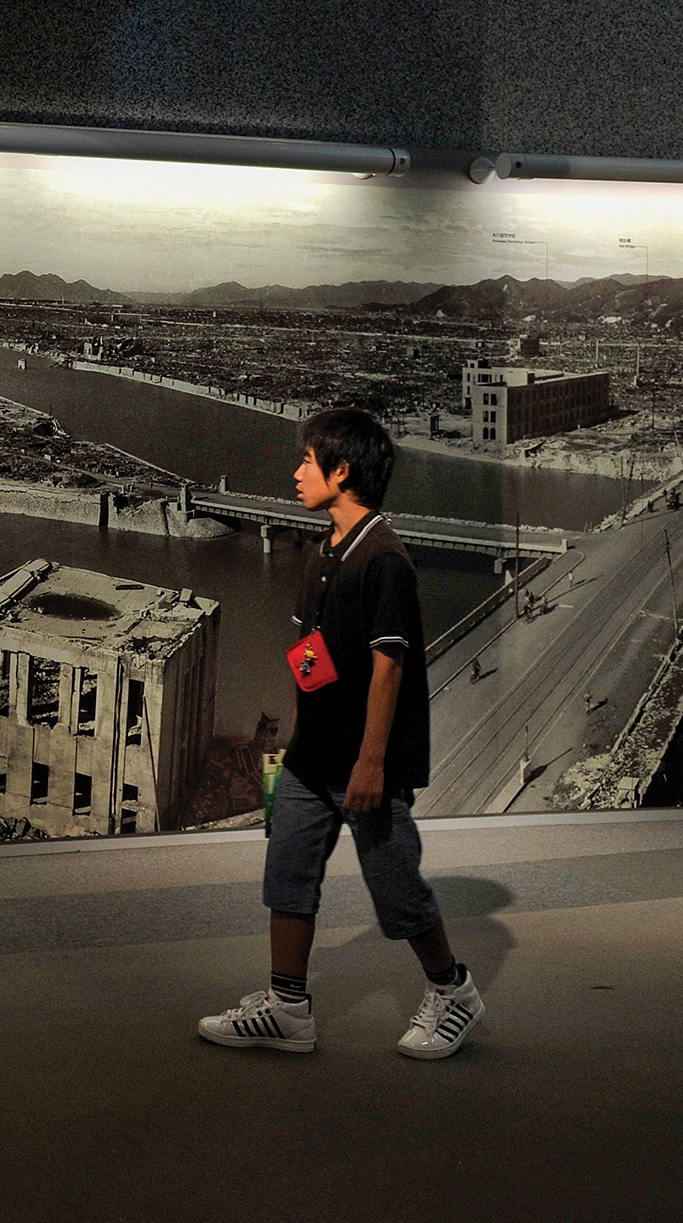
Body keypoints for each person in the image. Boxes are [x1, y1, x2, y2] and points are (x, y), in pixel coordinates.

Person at [199, 408, 484, 1060]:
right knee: (288, 870)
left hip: (366, 764)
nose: (296, 471)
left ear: (342, 470)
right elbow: (312, 651)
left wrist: (371, 763)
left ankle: (454, 991)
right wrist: (300, 733)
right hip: (312, 756)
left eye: (306, 460)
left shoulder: (385, 560)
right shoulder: (322, 551)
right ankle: (287, 1010)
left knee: (394, 885)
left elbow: (390, 666)